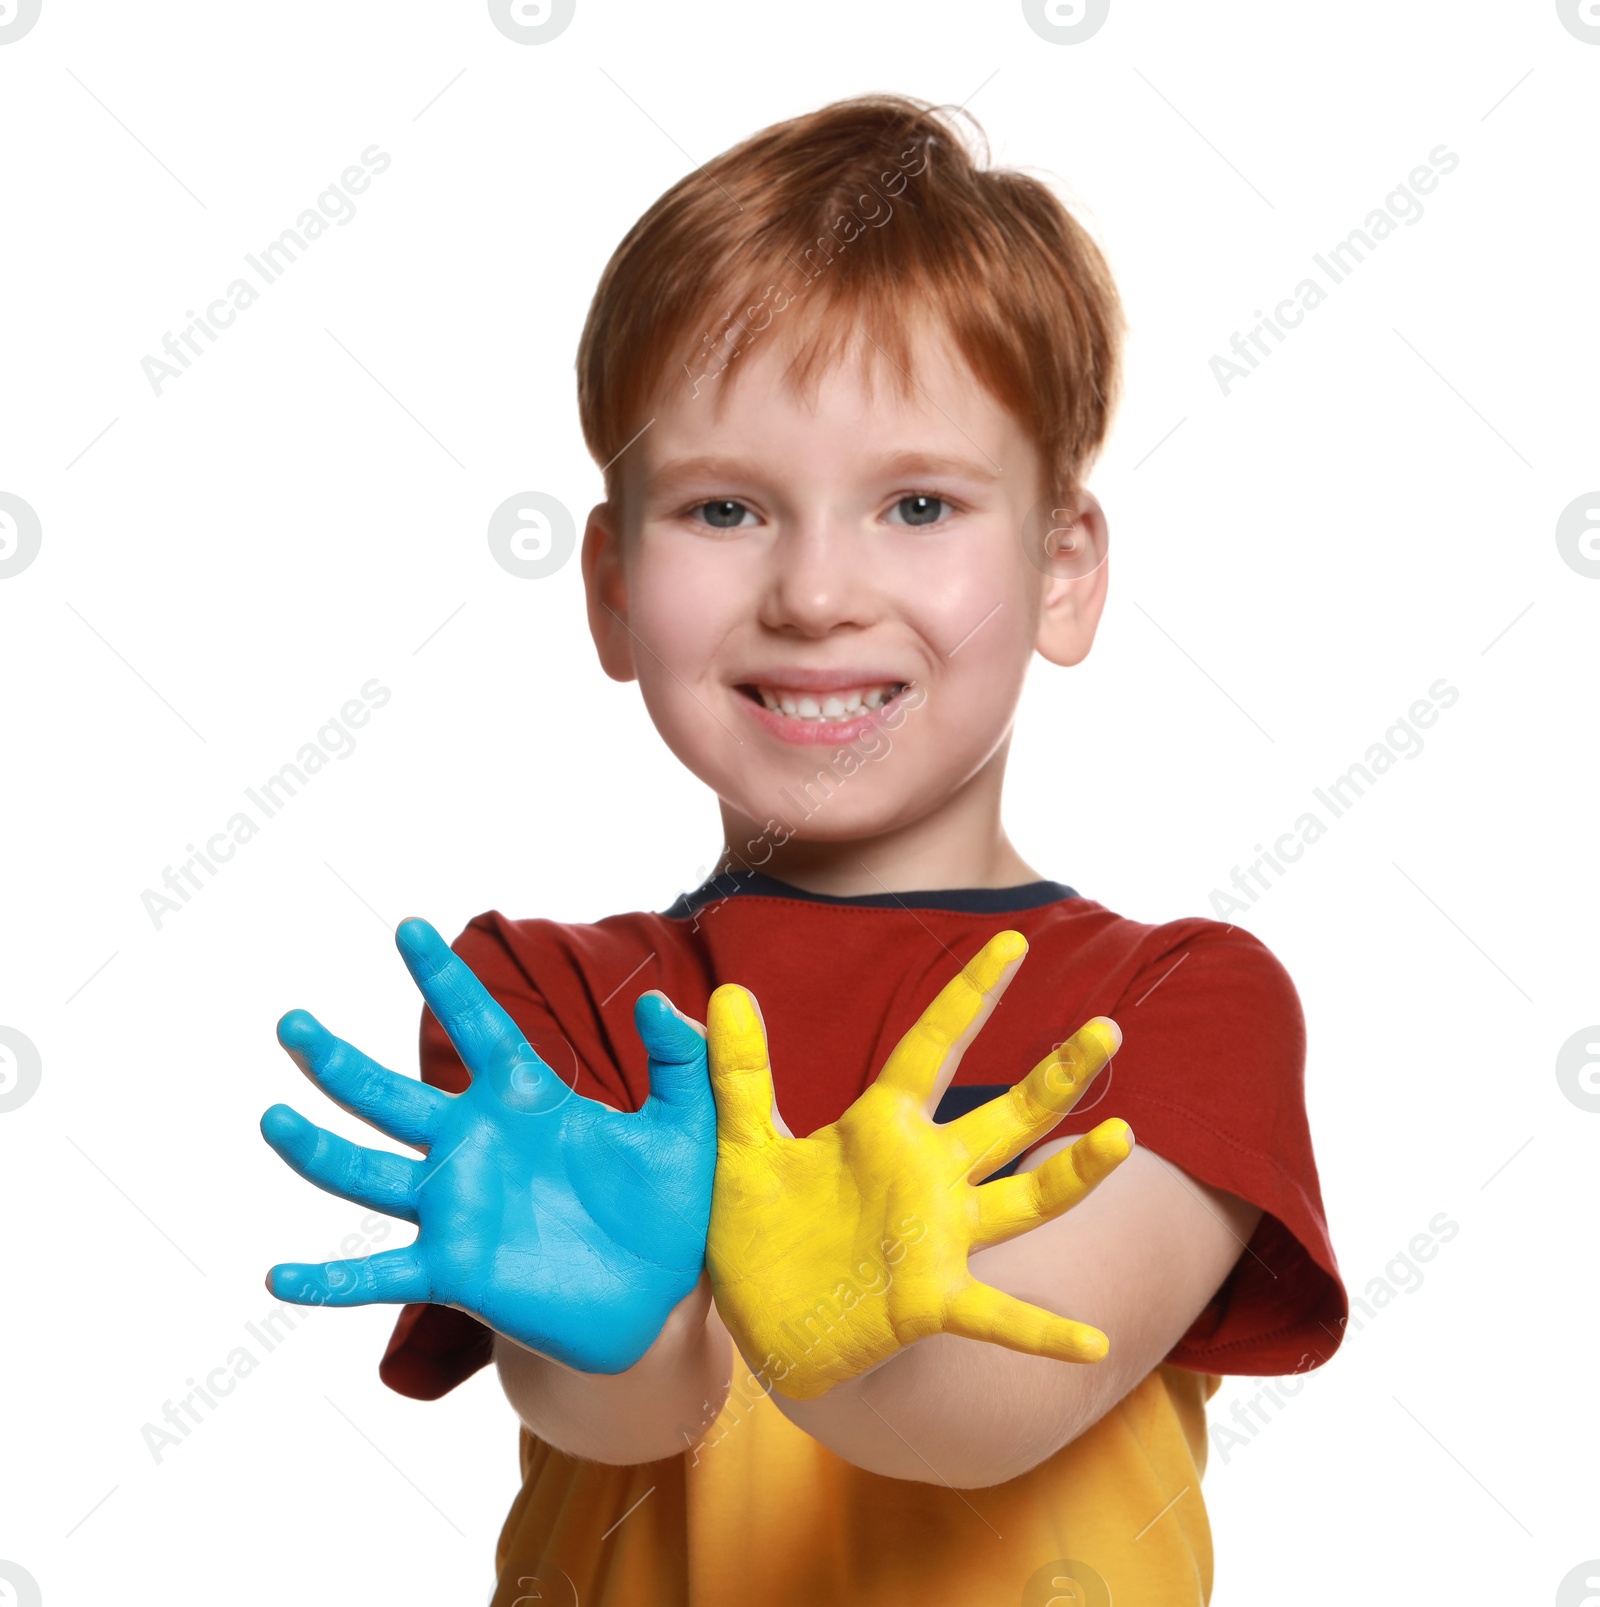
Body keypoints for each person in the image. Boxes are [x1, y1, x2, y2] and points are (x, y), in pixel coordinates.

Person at [263, 92, 1347, 1606]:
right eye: (724, 508)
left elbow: (1003, 1410)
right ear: (613, 588)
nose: (818, 591)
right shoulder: (543, 1006)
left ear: (1062, 569)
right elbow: (616, 1411)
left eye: (918, 503)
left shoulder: (1180, 1007)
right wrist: (627, 1325)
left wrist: (839, 1315)